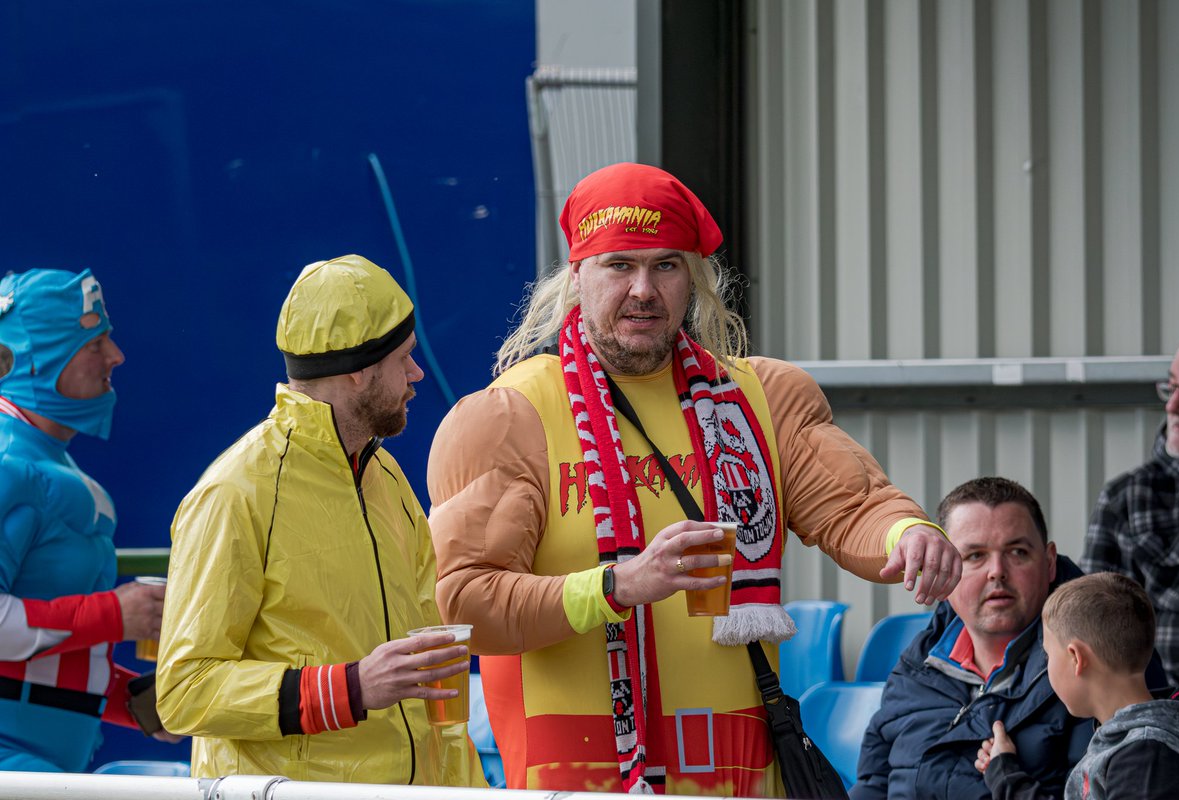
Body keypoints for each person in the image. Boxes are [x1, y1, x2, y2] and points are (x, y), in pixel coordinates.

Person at [427, 162, 960, 796]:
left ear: (695, 280)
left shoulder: (763, 397)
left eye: (666, 265)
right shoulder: (508, 417)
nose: (644, 290)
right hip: (578, 778)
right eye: (619, 265)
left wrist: (908, 531)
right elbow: (463, 601)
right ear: (577, 276)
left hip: (738, 774)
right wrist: (618, 586)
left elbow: (855, 504)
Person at [155, 255, 485, 786]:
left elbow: (430, 677)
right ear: (357, 371)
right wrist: (351, 688)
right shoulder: (232, 493)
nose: (417, 373)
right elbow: (183, 693)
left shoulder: (387, 476)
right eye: (404, 357)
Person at [0, 268, 172, 772]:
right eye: (95, 342)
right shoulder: (9, 465)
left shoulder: (49, 466)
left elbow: (48, 665)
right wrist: (115, 615)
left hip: (46, 767)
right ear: (40, 355)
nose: (116, 356)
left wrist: (146, 706)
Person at [853, 477, 1095, 800]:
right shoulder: (913, 671)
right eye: (975, 556)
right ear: (942, 567)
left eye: (1018, 552)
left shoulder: (1097, 662)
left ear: (1050, 563)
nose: (997, 571)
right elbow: (872, 787)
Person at [976, 572, 1179, 800]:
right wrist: (1003, 771)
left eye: (1048, 654)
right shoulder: (1134, 742)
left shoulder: (1146, 760)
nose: (1047, 664)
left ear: (1076, 658)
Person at [1083, 329, 1179, 694]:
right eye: (1171, 387)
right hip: (1174, 721)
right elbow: (1092, 633)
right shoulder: (1128, 499)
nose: (1173, 406)